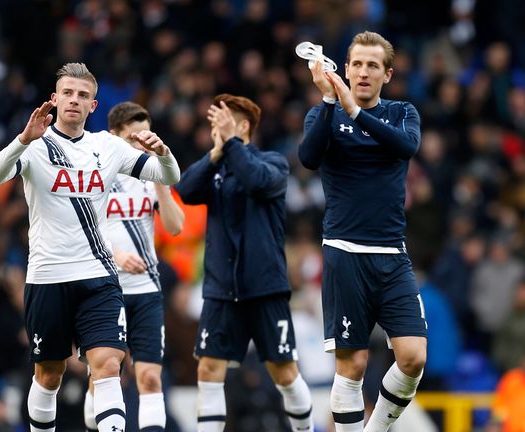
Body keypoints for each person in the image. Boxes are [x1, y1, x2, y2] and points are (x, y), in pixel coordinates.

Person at [0, 63, 180, 432]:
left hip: (99, 277)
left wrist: (164, 154)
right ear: (55, 99)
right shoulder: (35, 146)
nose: (75, 100)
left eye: (83, 95)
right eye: (68, 93)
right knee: (49, 375)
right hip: (48, 277)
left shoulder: (108, 147)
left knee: (107, 365)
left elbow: (169, 177)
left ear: (93, 105)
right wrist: (23, 139)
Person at [298, 31, 427, 432]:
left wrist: (355, 111)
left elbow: (406, 147)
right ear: (346, 68)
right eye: (357, 64)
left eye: (373, 65)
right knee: (352, 366)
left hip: (392, 255)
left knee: (413, 357)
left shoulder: (402, 112)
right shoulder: (325, 112)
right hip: (344, 253)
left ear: (387, 74)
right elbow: (307, 157)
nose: (364, 72)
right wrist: (331, 102)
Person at [176, 93, 314, 432]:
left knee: (283, 372)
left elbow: (254, 179)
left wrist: (232, 144)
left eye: (223, 122)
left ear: (244, 126)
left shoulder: (274, 163)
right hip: (222, 289)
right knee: (208, 369)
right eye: (214, 123)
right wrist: (215, 154)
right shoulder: (216, 168)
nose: (216, 129)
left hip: (265, 287)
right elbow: (187, 190)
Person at [82, 102, 185, 432]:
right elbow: (80, 228)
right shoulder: (97, 174)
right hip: (107, 289)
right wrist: (115, 253)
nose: (140, 145)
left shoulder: (152, 174)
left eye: (145, 137)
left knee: (151, 378)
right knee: (105, 375)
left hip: (146, 290)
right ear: (114, 137)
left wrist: (162, 188)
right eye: (132, 139)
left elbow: (175, 227)